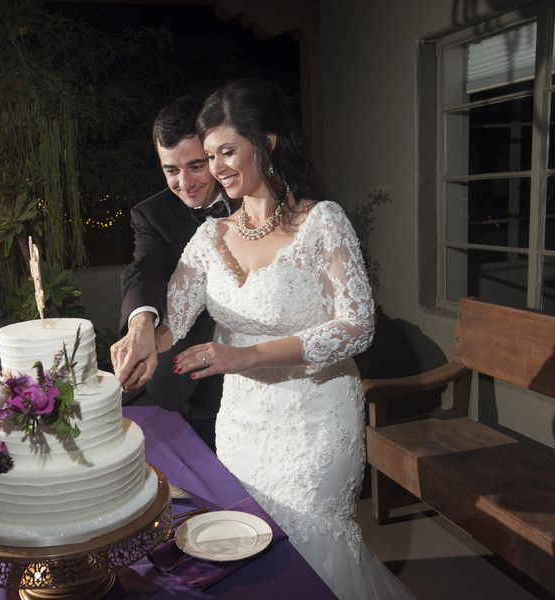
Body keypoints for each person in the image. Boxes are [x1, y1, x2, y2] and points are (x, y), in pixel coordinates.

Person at [152, 79, 415, 600]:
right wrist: (140, 336)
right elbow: (170, 325)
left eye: (227, 150)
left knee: (315, 549)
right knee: (250, 547)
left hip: (318, 418)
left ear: (266, 142)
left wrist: (244, 355)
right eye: (210, 156)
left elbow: (357, 326)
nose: (217, 166)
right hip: (243, 424)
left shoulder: (323, 222)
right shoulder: (210, 237)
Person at [111, 96, 230, 450]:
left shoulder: (255, 196)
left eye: (196, 166)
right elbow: (145, 268)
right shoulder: (152, 213)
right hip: (193, 380)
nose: (184, 183)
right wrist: (140, 324)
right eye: (171, 170)